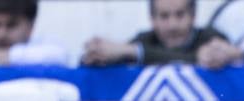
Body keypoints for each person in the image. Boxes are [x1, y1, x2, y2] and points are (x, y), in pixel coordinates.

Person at [81, 0, 228, 67]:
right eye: (164, 16)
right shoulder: (144, 40)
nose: (172, 25)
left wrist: (134, 52)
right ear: (152, 19)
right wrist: (98, 56)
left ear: (193, 16)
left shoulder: (211, 38)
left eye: (180, 15)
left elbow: (189, 59)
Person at [0, 0, 66, 66]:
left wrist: (12, 56)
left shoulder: (44, 47)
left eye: (11, 25)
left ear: (30, 26)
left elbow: (60, 56)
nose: (1, 34)